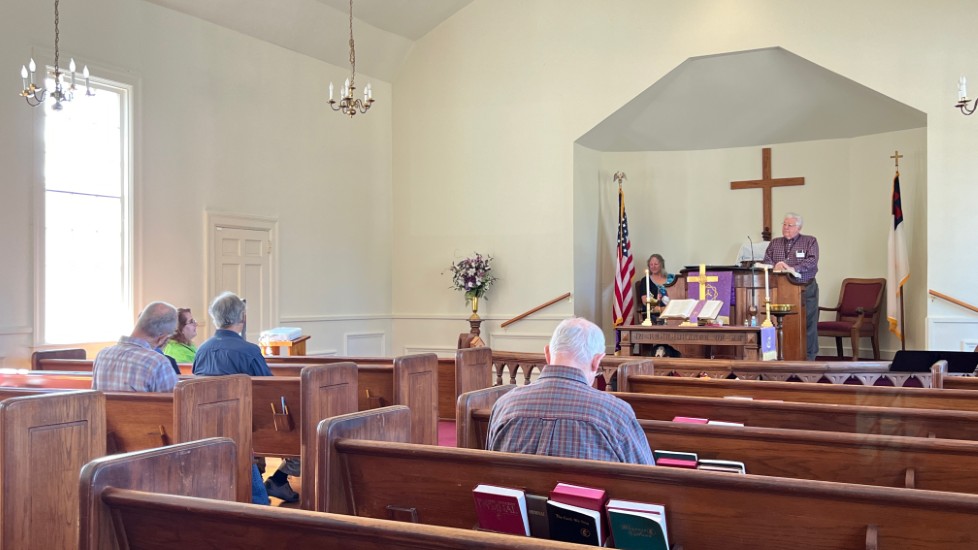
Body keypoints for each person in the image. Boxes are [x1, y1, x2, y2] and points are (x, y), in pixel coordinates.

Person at [486, 318, 654, 465]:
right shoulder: (616, 413)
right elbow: (647, 480)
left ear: (547, 354)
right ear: (597, 361)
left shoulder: (504, 405)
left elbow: (489, 471)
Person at [193, 291, 296, 503]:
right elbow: (269, 391)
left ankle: (259, 483)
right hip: (245, 423)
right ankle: (269, 486)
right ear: (242, 317)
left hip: (208, 424)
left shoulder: (202, 350)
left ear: (215, 318)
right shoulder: (249, 351)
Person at [763, 212, 820, 360]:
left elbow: (811, 261)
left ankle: (809, 358)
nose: (786, 227)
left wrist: (792, 268)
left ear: (799, 228)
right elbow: (766, 260)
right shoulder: (775, 243)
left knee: (808, 323)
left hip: (805, 288)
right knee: (782, 322)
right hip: (780, 290)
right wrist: (775, 266)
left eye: (790, 225)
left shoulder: (810, 241)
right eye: (784, 224)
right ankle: (785, 355)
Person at [92, 302, 180, 392]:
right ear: (162, 338)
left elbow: (94, 396)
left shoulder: (102, 355)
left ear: (139, 322)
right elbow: (174, 400)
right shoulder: (159, 363)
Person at [634, 253, 675, 322]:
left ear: (661, 265)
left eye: (656, 264)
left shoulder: (671, 278)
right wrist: (659, 308)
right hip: (655, 313)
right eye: (651, 264)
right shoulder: (645, 280)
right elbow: (645, 301)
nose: (653, 266)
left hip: (672, 310)